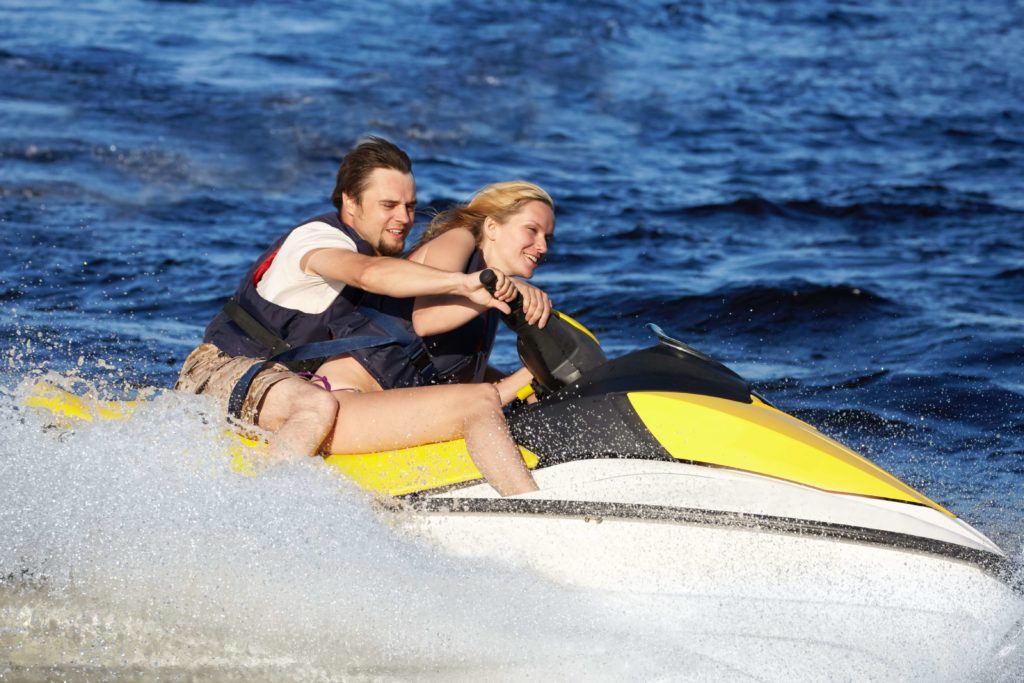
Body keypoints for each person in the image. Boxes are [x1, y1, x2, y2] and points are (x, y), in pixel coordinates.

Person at [174, 137, 545, 495]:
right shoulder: (320, 239)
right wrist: (464, 284)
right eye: (389, 205)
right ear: (350, 202)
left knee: (321, 401)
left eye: (410, 206)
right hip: (222, 370)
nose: (404, 218)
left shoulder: (384, 262)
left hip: (289, 385)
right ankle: (257, 510)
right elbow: (367, 274)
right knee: (316, 404)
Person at [366, 181, 555, 392]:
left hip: (407, 397)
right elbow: (426, 321)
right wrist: (533, 373)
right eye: (532, 230)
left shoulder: (492, 295)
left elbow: (463, 373)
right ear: (492, 227)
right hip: (362, 391)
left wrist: (529, 388)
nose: (543, 247)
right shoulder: (458, 239)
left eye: (547, 238)